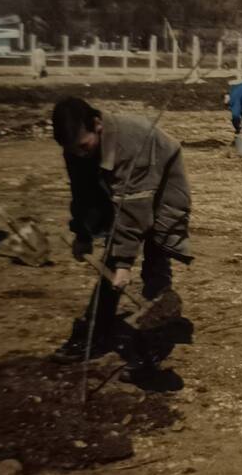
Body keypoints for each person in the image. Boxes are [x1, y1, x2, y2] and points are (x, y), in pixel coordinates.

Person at [50, 97, 193, 381]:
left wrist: (124, 261)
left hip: (162, 188)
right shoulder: (77, 148)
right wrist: (82, 233)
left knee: (155, 258)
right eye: (71, 150)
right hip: (119, 188)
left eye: (83, 147)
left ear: (98, 125)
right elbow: (82, 193)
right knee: (111, 264)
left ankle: (151, 346)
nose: (78, 154)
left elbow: (134, 209)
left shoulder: (131, 143)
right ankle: (93, 336)